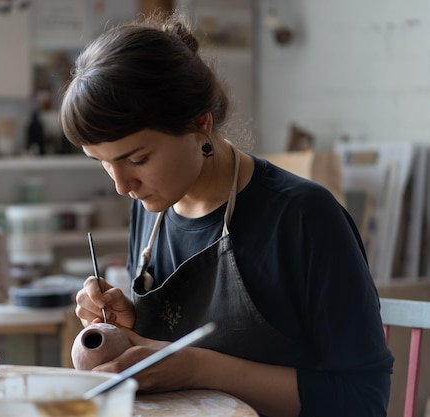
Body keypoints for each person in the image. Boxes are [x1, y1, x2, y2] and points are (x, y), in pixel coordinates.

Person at [59, 12, 393, 417]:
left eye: (137, 158)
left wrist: (199, 367)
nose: (122, 186)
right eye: (102, 163)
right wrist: (129, 331)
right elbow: (164, 367)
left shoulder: (303, 217)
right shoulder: (151, 208)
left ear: (200, 124)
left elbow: (364, 400)